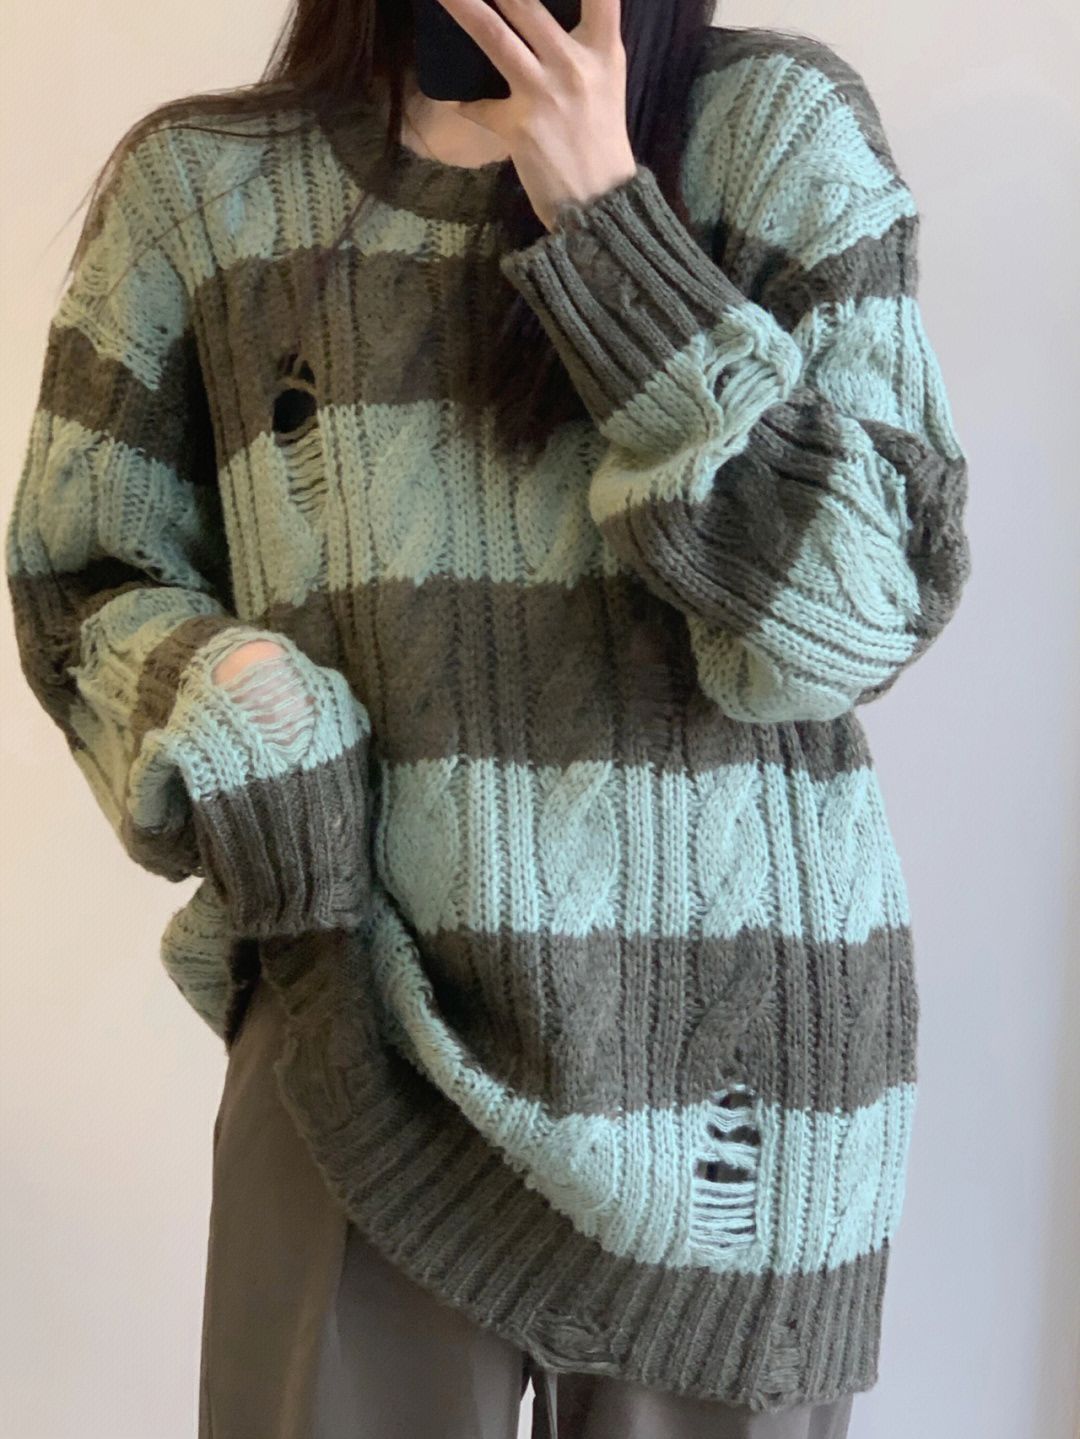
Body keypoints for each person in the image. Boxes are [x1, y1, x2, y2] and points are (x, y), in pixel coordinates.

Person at [4, 1, 972, 1435]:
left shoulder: (775, 135)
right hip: (352, 1018)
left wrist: (610, 226)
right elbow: (79, 576)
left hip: (735, 1105)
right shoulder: (202, 191)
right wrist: (231, 700)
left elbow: (855, 613)